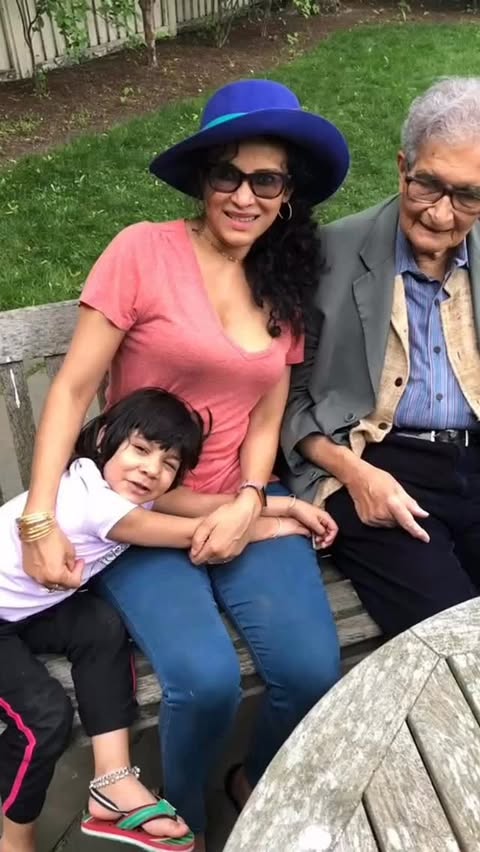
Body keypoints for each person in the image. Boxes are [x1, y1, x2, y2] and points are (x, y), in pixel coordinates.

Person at [18, 78, 349, 849]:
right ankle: (185, 827)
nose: (244, 196)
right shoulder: (143, 251)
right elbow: (71, 390)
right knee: (202, 683)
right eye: (226, 174)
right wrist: (40, 518)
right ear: (203, 179)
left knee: (311, 671)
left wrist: (248, 499)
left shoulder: (283, 281)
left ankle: (252, 784)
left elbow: (267, 411)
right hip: (137, 507)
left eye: (266, 180)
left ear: (288, 195)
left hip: (241, 498)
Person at [281, 76, 480, 639]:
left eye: (467, 196)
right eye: (428, 186)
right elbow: (288, 402)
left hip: (472, 457)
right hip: (377, 462)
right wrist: (356, 475)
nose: (441, 213)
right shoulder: (331, 254)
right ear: (402, 168)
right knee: (452, 640)